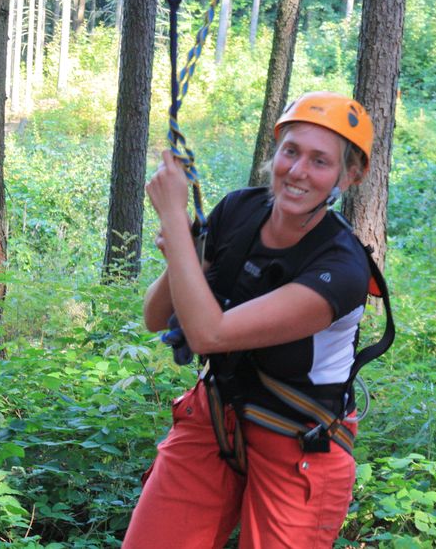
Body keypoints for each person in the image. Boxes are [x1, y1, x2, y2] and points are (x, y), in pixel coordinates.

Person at [123, 92, 376, 549]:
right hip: (215, 417)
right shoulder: (239, 210)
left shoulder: (341, 269)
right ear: (275, 153)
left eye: (320, 161)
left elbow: (209, 334)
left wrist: (175, 223)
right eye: (291, 151)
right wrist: (184, 251)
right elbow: (156, 316)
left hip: (299, 441)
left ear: (350, 175)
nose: (297, 171)